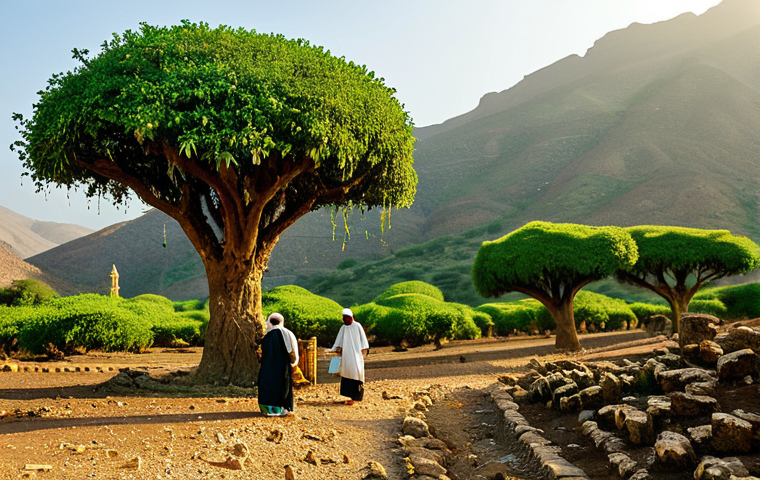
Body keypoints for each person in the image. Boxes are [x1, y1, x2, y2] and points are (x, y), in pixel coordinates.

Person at [256, 312, 299, 416]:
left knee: (267, 385)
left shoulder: (267, 337)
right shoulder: (288, 334)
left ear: (269, 322)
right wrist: (293, 363)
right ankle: (281, 409)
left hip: (267, 368)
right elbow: (293, 352)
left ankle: (267, 410)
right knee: (282, 386)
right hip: (282, 367)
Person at [330, 308, 369, 405]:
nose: (345, 320)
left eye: (347, 318)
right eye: (344, 318)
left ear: (351, 317)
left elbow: (363, 339)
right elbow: (338, 340)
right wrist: (333, 349)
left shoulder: (357, 326)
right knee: (347, 374)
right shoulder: (343, 328)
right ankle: (350, 396)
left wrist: (365, 348)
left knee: (356, 373)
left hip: (356, 355)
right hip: (347, 355)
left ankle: (356, 397)